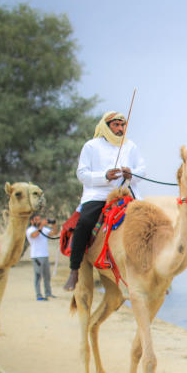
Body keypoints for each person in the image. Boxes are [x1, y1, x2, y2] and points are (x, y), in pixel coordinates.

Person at [63, 110, 145, 291]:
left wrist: (132, 173)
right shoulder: (91, 146)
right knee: (84, 223)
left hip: (126, 194)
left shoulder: (130, 146)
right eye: (116, 125)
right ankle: (74, 270)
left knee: (148, 222)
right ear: (106, 126)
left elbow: (142, 169)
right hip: (98, 195)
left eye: (123, 125)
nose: (120, 128)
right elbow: (82, 174)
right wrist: (104, 176)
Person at [26, 214, 59, 300]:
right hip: (36, 256)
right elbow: (34, 235)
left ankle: (48, 293)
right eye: (36, 220)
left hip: (45, 255)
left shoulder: (43, 229)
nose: (39, 221)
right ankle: (39, 295)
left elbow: (54, 233)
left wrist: (54, 224)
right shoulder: (30, 230)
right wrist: (42, 225)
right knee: (38, 276)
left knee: (47, 276)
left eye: (39, 219)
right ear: (32, 221)